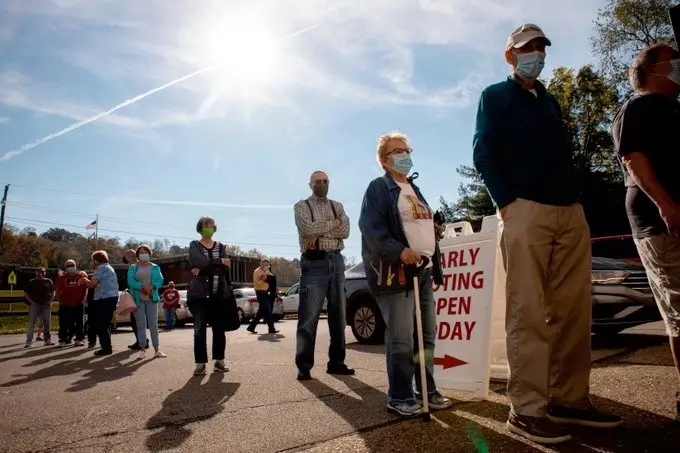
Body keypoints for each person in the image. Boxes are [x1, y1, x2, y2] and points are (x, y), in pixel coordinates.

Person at [472, 23, 621, 444]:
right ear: (510, 55)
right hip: (524, 210)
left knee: (575, 311)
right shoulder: (495, 96)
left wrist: (576, 201)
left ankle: (568, 401)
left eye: (540, 47)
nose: (535, 53)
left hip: (569, 212)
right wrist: (508, 203)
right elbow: (483, 153)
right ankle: (528, 410)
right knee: (529, 311)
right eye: (526, 48)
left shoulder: (550, 101)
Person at [358, 132, 452, 417]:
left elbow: (416, 223)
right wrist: (400, 251)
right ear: (385, 161)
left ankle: (426, 390)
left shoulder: (414, 188)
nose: (404, 154)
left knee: (426, 335)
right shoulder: (378, 188)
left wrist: (431, 234)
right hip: (396, 272)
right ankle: (399, 396)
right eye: (397, 151)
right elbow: (371, 228)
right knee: (401, 337)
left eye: (406, 149)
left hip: (422, 271)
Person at [611, 43, 680, 422]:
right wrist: (666, 204)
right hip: (663, 224)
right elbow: (633, 158)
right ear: (652, 71)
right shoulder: (636, 108)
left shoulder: (673, 111)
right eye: (673, 62)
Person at [293, 170, 353, 381]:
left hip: (337, 261)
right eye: (318, 181)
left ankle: (337, 362)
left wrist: (323, 231)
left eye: (325, 181)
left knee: (339, 316)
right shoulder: (301, 206)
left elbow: (346, 231)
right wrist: (333, 224)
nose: (322, 184)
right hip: (314, 263)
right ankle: (304, 366)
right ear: (310, 184)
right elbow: (308, 229)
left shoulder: (338, 206)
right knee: (309, 316)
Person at [187, 216, 232, 376]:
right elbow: (199, 261)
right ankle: (200, 364)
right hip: (199, 295)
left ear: (215, 228)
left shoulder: (221, 246)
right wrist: (219, 262)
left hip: (218, 294)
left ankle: (219, 361)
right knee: (199, 330)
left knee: (219, 330)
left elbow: (219, 269)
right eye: (206, 225)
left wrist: (207, 266)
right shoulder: (194, 245)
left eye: (211, 225)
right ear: (200, 228)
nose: (209, 227)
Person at [127, 244, 166, 360]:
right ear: (137, 255)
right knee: (141, 325)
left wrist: (152, 286)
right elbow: (130, 281)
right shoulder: (133, 268)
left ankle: (157, 350)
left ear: (149, 254)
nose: (143, 254)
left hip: (152, 298)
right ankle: (142, 349)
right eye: (141, 252)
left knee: (153, 324)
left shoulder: (155, 267)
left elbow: (160, 280)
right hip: (138, 299)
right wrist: (141, 287)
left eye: (146, 252)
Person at [79, 251, 119, 356]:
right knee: (106, 323)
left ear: (98, 260)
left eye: (93, 260)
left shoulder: (100, 268)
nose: (93, 262)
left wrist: (84, 279)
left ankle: (105, 348)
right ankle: (107, 346)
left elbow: (92, 284)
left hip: (104, 298)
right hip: (112, 297)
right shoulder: (109, 267)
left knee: (101, 324)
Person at [55, 260, 88, 347]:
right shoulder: (61, 278)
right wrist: (59, 301)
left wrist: (82, 300)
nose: (70, 267)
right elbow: (57, 290)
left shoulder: (81, 277)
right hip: (65, 304)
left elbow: (84, 290)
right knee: (63, 323)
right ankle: (62, 340)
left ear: (75, 266)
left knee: (79, 323)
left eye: (72, 265)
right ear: (65, 268)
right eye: (68, 266)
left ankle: (79, 339)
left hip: (78, 304)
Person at [123, 249, 149, 351]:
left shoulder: (137, 266)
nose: (125, 258)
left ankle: (141, 342)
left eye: (126, 256)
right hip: (136, 295)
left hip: (138, 297)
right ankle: (141, 340)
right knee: (136, 320)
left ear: (131, 256)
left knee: (137, 321)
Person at [24, 267, 55, 348]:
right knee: (32, 322)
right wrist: (32, 302)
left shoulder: (48, 281)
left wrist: (51, 300)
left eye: (42, 272)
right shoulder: (32, 282)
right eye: (38, 272)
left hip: (46, 305)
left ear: (45, 273)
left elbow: (53, 291)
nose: (40, 273)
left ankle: (47, 340)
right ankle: (28, 341)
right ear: (36, 273)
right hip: (35, 305)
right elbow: (26, 294)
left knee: (47, 322)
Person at [247, 259, 279, 334]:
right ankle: (271, 329)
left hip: (265, 292)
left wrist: (267, 274)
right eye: (265, 265)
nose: (266, 267)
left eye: (267, 265)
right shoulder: (257, 271)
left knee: (261, 312)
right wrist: (263, 280)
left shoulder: (266, 271)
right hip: (260, 292)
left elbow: (272, 277)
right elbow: (257, 284)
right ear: (261, 264)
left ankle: (251, 327)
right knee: (267, 310)